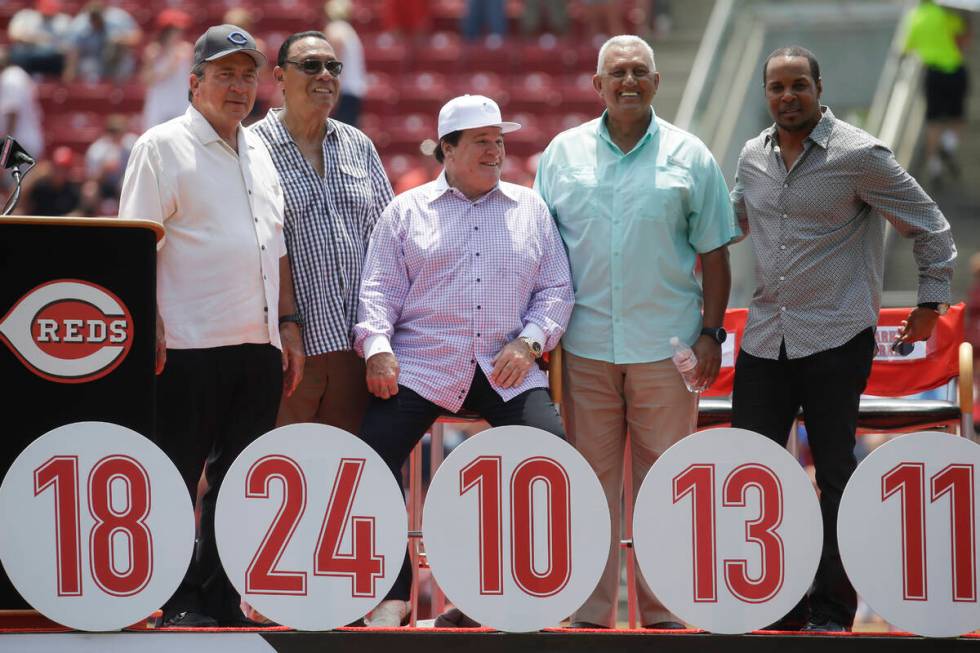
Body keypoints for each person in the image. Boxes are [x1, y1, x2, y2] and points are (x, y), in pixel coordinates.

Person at [730, 46, 957, 632]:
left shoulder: (860, 154)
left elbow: (930, 225)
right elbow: (727, 223)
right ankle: (772, 606)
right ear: (765, 92)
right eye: (777, 87)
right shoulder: (752, 156)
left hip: (837, 334)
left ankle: (832, 610)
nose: (788, 96)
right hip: (764, 339)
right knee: (754, 472)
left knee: (834, 472)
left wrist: (931, 303)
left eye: (798, 85)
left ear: (819, 86)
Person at [534, 34, 737, 630]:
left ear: (656, 82)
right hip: (585, 349)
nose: (628, 81)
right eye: (616, 73)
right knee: (589, 489)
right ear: (597, 85)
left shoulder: (691, 155)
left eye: (639, 72)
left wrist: (710, 334)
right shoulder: (561, 154)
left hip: (668, 350)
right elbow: (541, 251)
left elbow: (716, 257)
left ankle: (666, 616)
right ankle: (591, 618)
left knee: (665, 488)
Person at [354, 94, 574, 626]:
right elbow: (377, 291)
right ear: (446, 150)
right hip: (422, 365)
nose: (495, 151)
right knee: (368, 459)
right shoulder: (405, 210)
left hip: (506, 369)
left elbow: (557, 291)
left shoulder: (531, 209)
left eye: (499, 141)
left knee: (552, 459)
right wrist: (378, 350)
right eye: (481, 141)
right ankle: (391, 593)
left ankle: (514, 595)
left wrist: (529, 342)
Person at [118, 24, 304, 628]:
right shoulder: (162, 145)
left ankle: (218, 598)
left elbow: (273, 244)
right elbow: (135, 243)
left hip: (256, 343)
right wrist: (147, 322)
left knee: (237, 480)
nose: (239, 86)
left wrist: (287, 325)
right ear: (194, 82)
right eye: (225, 74)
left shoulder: (262, 149)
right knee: (175, 471)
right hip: (189, 342)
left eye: (248, 74)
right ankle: (163, 597)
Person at [252, 31, 393, 434]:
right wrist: (285, 322)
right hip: (284, 351)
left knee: (346, 481)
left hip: (355, 350)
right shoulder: (251, 148)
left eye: (333, 67)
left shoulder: (358, 145)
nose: (325, 75)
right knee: (276, 473)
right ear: (280, 76)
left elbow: (388, 245)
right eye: (311, 65)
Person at [903, 0, 971, 185]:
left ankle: (934, 166)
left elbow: (907, 47)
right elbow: (962, 35)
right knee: (958, 117)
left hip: (933, 72)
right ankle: (947, 147)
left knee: (933, 122)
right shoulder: (946, 15)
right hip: (954, 69)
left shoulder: (914, 18)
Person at [140, 8, 193, 129]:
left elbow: (192, 76)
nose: (179, 33)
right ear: (165, 31)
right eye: (175, 30)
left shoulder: (187, 50)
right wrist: (168, 69)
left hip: (181, 101)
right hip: (159, 102)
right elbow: (146, 79)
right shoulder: (153, 51)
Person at [65, 1, 141, 82]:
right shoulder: (79, 25)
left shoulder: (118, 18)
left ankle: (120, 91)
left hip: (117, 59)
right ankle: (93, 93)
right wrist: (70, 71)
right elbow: (73, 50)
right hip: (93, 60)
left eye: (98, 17)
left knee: (124, 62)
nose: (95, 21)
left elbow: (137, 37)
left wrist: (120, 40)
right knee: (88, 67)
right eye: (93, 17)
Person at [324, 0, 367, 127]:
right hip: (353, 91)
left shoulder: (335, 30)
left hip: (343, 92)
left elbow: (333, 63)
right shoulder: (349, 31)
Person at [0, 47, 44, 161]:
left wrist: (7, 150)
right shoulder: (18, 74)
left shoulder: (10, 78)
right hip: (27, 141)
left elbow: (13, 113)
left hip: (20, 144)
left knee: (16, 178)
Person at [6, 0, 72, 76]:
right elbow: (14, 35)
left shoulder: (63, 20)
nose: (48, 15)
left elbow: (69, 45)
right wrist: (36, 39)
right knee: (17, 53)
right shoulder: (25, 16)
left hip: (53, 56)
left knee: (65, 58)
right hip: (29, 52)